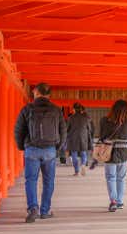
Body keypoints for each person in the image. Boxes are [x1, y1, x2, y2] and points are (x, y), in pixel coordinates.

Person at [14, 82, 67, 223]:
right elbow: (63, 131)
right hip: (50, 150)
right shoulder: (56, 110)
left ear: (36, 93)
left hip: (32, 149)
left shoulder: (27, 109)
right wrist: (57, 147)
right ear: (48, 95)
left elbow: (18, 130)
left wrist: (22, 146)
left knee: (31, 180)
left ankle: (33, 209)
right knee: (48, 181)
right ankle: (45, 211)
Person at [98, 99, 127, 212]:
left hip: (109, 152)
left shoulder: (104, 120)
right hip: (123, 152)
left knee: (110, 177)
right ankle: (120, 201)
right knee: (121, 178)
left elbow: (102, 137)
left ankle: (113, 201)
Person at [66, 102, 93, 176]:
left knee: (74, 155)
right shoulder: (86, 118)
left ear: (74, 109)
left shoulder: (71, 118)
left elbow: (67, 129)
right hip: (83, 138)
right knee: (83, 153)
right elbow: (89, 129)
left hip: (73, 138)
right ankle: (83, 165)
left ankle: (76, 171)